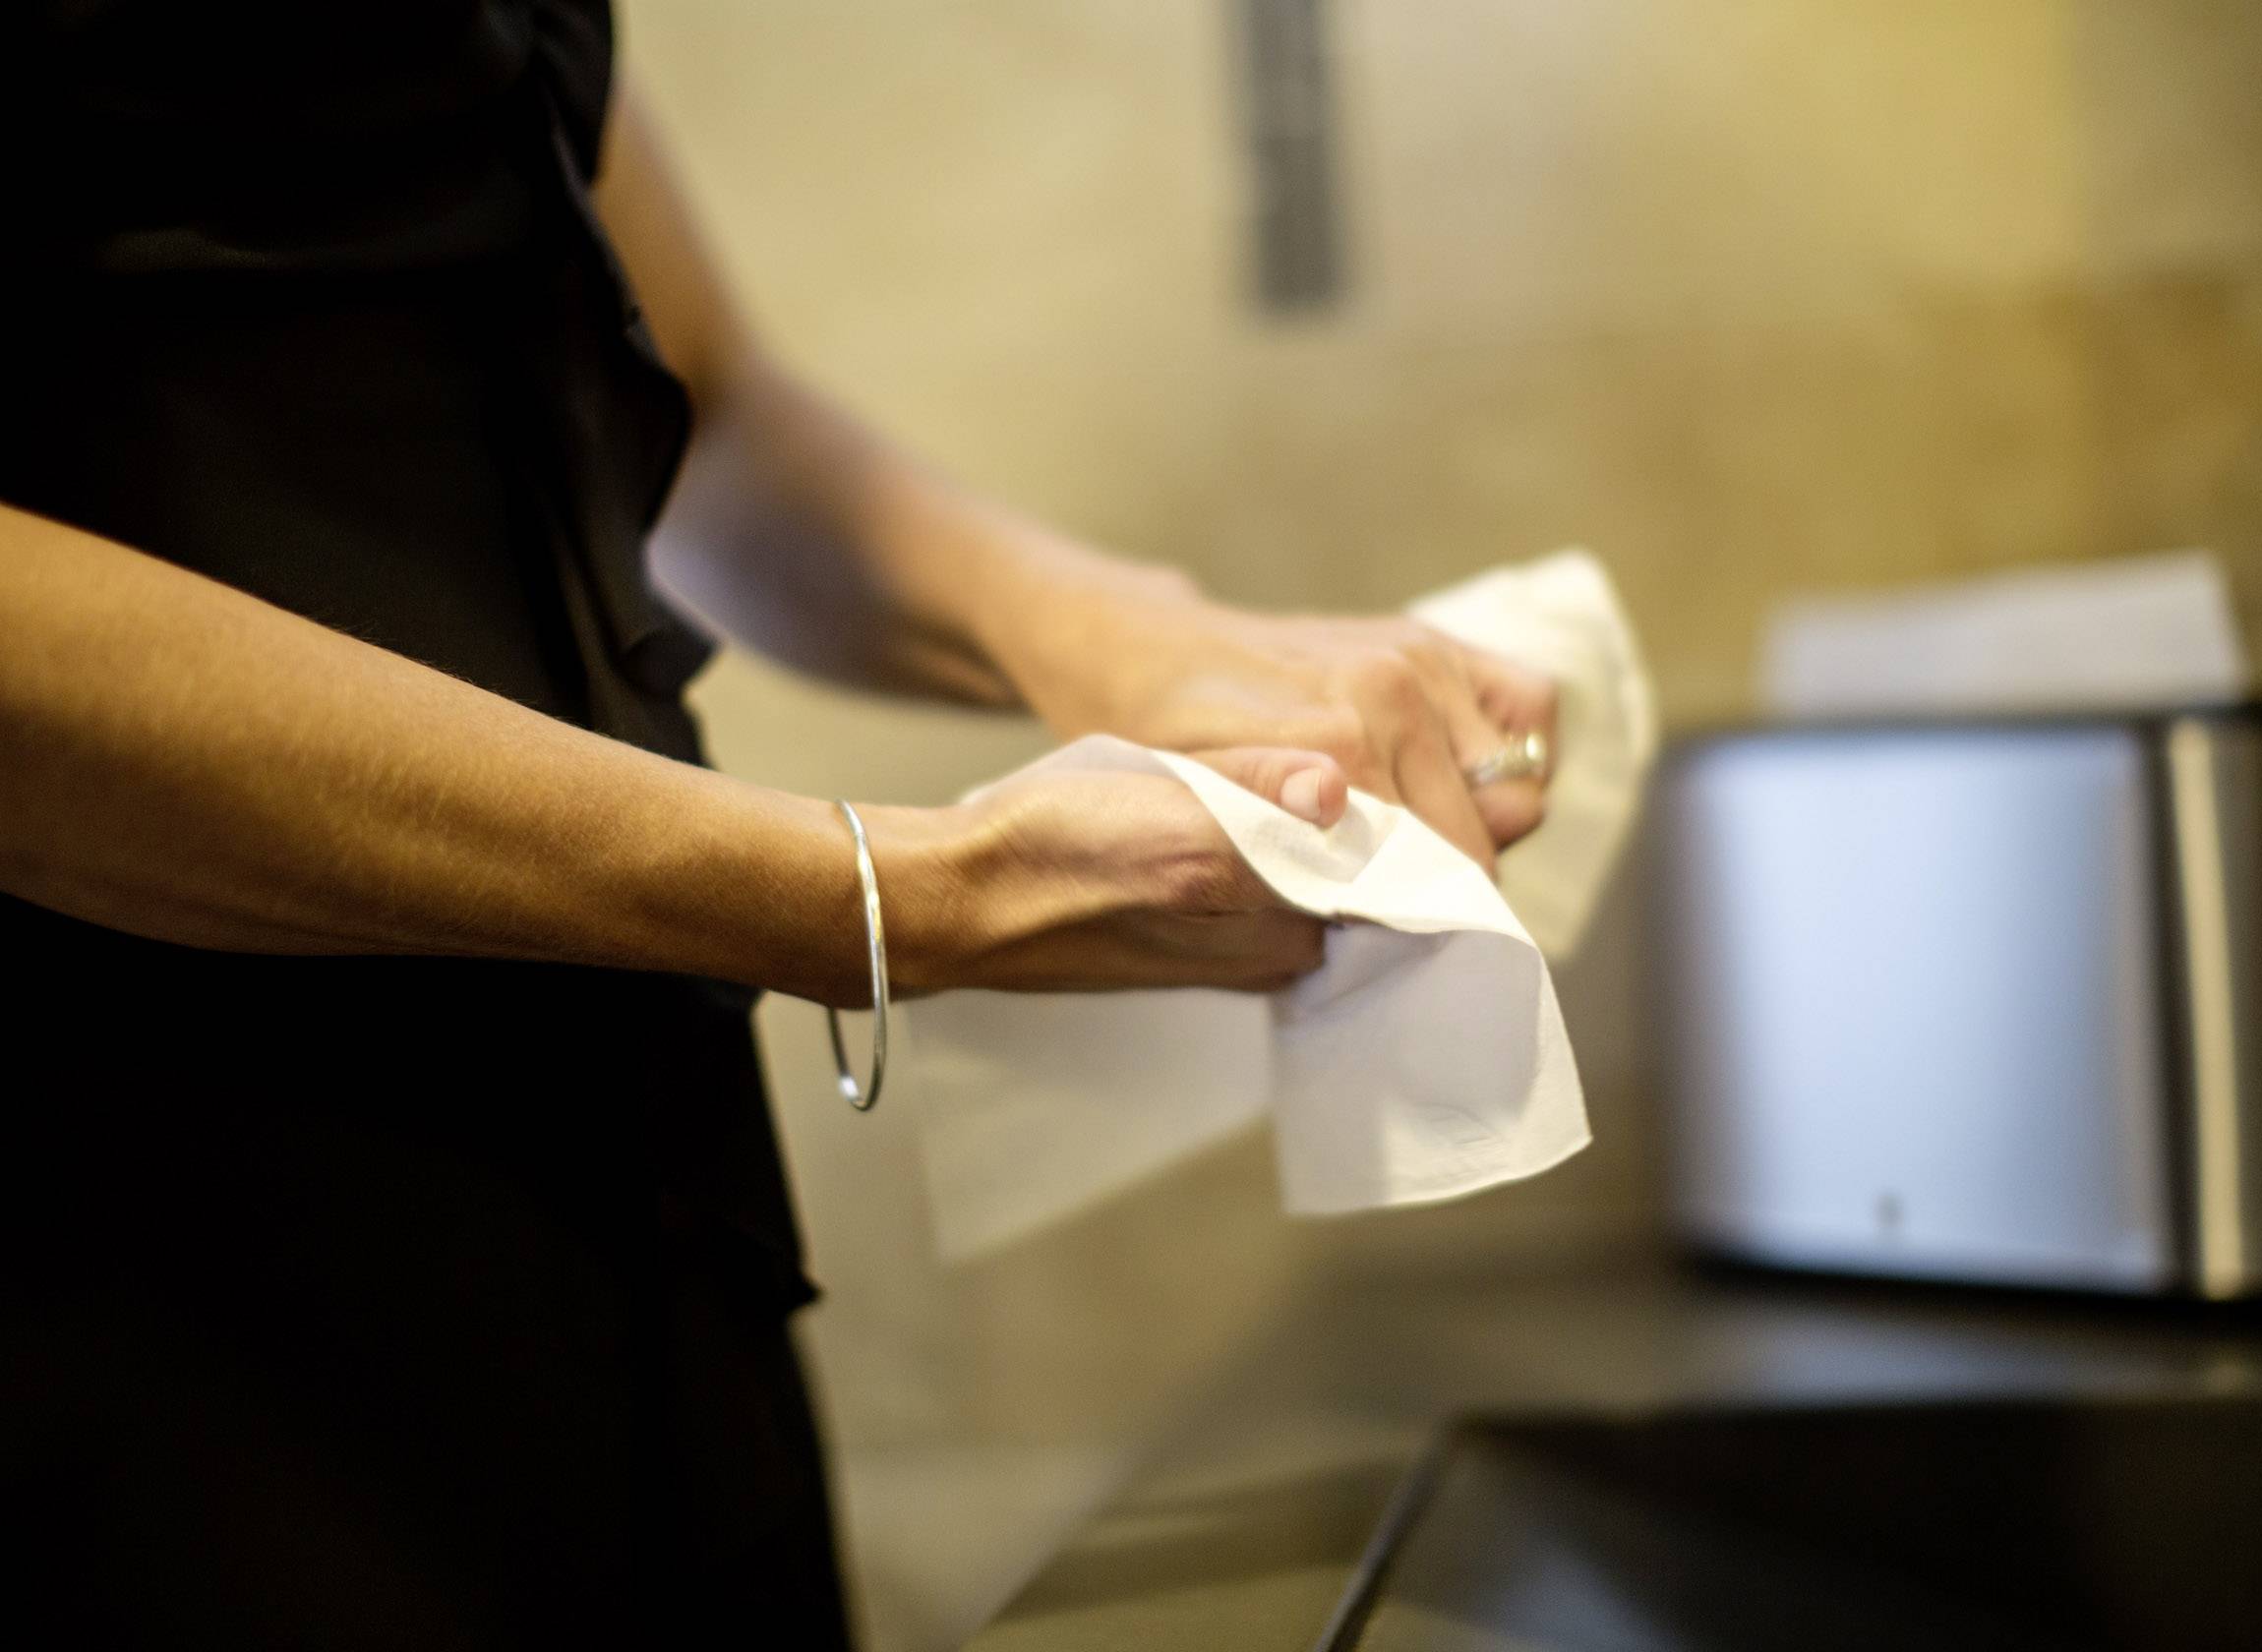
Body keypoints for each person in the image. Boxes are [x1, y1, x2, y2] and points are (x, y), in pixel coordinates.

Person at [0, 2, 1557, 1644]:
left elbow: (704, 405)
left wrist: (1135, 637)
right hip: (153, 1200)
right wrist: (878, 896)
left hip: (620, 1159)